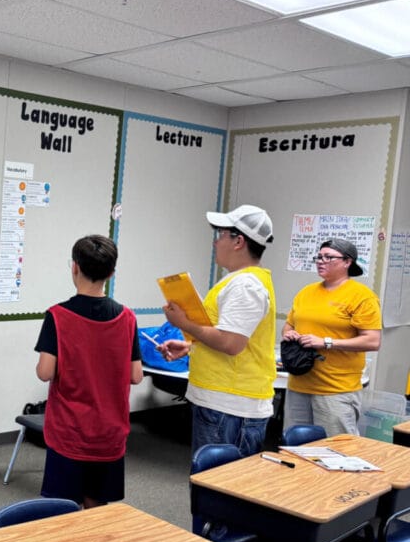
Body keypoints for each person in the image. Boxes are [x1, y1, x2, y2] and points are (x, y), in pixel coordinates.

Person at [34, 234, 143, 508]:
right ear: (112, 272)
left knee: (63, 510)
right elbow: (135, 376)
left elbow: (45, 372)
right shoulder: (127, 317)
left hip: (69, 432)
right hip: (109, 435)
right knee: (96, 511)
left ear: (74, 267)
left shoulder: (58, 316)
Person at [161, 204, 277, 457]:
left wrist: (185, 324)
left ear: (238, 241)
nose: (216, 243)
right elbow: (226, 334)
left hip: (230, 405)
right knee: (214, 486)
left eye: (221, 235)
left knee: (218, 488)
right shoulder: (238, 280)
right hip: (224, 401)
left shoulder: (245, 285)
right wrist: (192, 345)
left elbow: (231, 343)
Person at [282, 238, 381, 436]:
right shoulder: (306, 292)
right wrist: (289, 334)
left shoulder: (361, 296)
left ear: (347, 262)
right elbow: (288, 325)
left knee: (335, 452)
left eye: (328, 257)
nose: (321, 261)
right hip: (299, 385)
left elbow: (372, 340)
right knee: (296, 447)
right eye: (319, 257)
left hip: (335, 389)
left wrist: (326, 342)